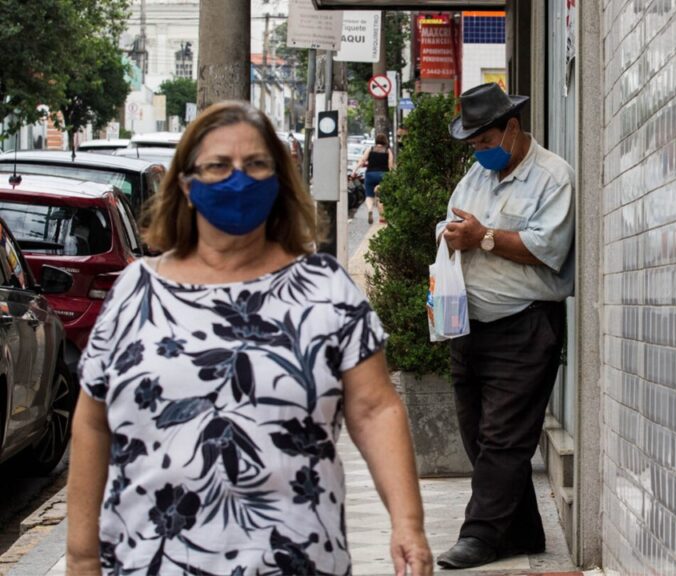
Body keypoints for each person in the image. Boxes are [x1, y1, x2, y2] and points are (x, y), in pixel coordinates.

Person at [66, 101, 433, 576]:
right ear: (186, 185)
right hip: (151, 559)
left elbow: (375, 408)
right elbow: (93, 422)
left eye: (256, 165)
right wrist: (80, 557)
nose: (238, 179)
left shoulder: (324, 289)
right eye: (218, 165)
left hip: (295, 559)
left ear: (279, 181)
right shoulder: (136, 291)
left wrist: (408, 523)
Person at [434, 83, 575, 569]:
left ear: (511, 129)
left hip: (526, 326)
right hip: (470, 328)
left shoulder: (553, 177)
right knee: (476, 433)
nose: (479, 153)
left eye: (485, 142)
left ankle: (480, 536)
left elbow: (548, 249)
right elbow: (450, 225)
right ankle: (523, 531)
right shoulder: (476, 176)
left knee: (504, 439)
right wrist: (452, 235)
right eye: (473, 146)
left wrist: (484, 238)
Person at [357, 133, 394, 224]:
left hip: (370, 174)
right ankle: (382, 217)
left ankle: (370, 210)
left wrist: (355, 170)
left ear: (376, 141)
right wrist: (392, 175)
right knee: (382, 196)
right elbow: (390, 164)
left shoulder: (370, 148)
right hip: (383, 175)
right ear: (385, 141)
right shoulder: (387, 150)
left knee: (369, 196)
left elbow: (362, 160)